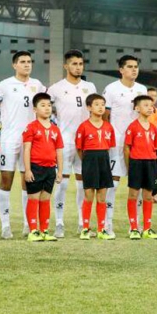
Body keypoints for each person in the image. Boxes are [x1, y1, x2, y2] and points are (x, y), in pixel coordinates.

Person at [0, 51, 46, 239]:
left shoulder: (37, 85)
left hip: (31, 139)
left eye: (29, 61)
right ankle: (5, 226)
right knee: (6, 180)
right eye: (22, 62)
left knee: (27, 181)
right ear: (15, 65)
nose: (27, 65)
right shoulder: (5, 85)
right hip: (9, 138)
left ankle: (28, 224)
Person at [46, 49, 97, 238]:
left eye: (81, 64)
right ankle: (59, 222)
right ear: (66, 66)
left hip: (86, 142)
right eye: (74, 64)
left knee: (84, 184)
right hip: (65, 141)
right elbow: (44, 110)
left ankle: (83, 223)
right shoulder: (55, 88)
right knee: (62, 183)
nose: (78, 67)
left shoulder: (90, 86)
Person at [102, 55, 147, 237]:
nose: (134, 70)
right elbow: (105, 116)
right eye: (129, 66)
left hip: (138, 144)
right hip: (117, 143)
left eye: (136, 66)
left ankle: (134, 226)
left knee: (138, 185)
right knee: (112, 184)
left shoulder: (141, 89)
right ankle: (107, 223)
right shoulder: (111, 89)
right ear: (121, 70)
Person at [22, 93, 64, 242]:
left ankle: (44, 230)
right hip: (35, 167)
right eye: (43, 105)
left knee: (46, 199)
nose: (47, 108)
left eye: (49, 105)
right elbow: (27, 149)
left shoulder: (55, 129)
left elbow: (59, 150)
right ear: (35, 109)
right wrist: (27, 170)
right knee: (33, 198)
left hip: (50, 168)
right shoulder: (31, 127)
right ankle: (33, 231)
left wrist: (59, 171)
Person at [75, 94, 116, 240]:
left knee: (102, 197)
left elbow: (110, 147)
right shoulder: (83, 126)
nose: (100, 107)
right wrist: (87, 162)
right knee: (88, 195)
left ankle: (101, 229)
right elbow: (79, 149)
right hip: (89, 161)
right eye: (97, 104)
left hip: (104, 160)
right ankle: (85, 229)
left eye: (103, 104)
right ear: (89, 107)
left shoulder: (108, 127)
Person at [124, 95, 157, 240]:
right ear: (137, 108)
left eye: (151, 105)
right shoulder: (132, 127)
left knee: (148, 196)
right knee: (133, 195)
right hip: (136, 163)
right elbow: (126, 148)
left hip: (150, 163)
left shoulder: (153, 128)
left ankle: (147, 228)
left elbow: (154, 148)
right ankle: (134, 228)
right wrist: (129, 167)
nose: (149, 108)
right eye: (145, 105)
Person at [146, 88, 157, 203]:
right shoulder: (144, 114)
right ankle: (148, 193)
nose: (153, 97)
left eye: (155, 95)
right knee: (148, 172)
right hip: (147, 147)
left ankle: (155, 194)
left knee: (156, 172)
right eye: (150, 95)